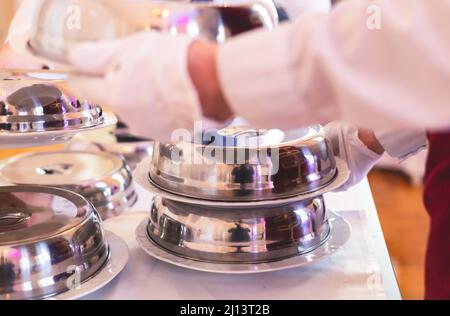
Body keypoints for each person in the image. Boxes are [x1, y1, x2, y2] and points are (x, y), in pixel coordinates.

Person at [0, 0, 436, 297]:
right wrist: (368, 135)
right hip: (152, 154)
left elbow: (417, 31)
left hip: (286, 142)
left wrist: (212, 80)